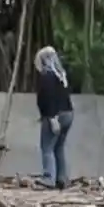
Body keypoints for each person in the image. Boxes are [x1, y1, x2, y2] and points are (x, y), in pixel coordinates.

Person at [34, 46, 73, 190]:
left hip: (55, 115)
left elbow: (48, 98)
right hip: (68, 114)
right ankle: (62, 178)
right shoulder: (61, 76)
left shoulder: (47, 76)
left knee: (47, 148)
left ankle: (49, 178)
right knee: (59, 147)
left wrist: (51, 118)